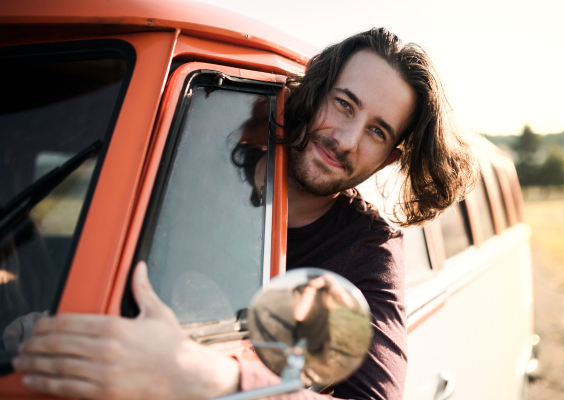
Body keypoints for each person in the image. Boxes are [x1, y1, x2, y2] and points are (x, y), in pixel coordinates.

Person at [12, 28, 478, 399]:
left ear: (389, 159)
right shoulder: (194, 164)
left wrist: (206, 375)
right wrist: (44, 317)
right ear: (313, 94)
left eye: (377, 131)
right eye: (343, 104)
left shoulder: (367, 248)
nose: (348, 139)